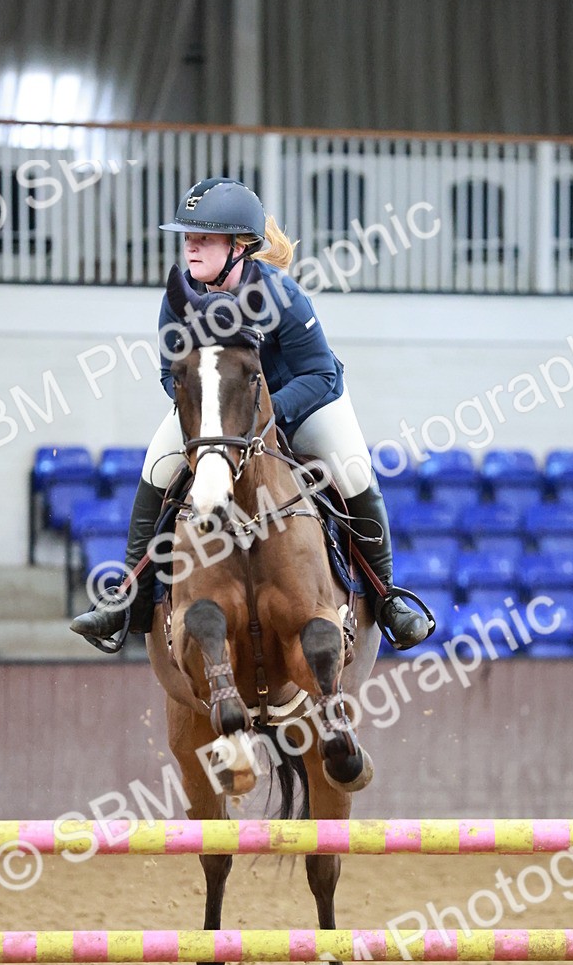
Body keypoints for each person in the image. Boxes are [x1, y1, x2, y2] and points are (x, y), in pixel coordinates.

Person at [71, 176, 429, 650]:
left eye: (204, 238)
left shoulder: (282, 295)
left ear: (240, 246)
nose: (191, 247)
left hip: (304, 405)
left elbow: (319, 374)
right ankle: (128, 598)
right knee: (156, 469)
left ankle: (387, 599)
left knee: (355, 472)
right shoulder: (178, 299)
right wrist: (207, 415)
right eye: (187, 237)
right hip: (220, 413)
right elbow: (168, 373)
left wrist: (263, 418)